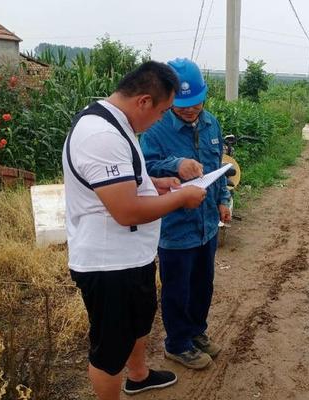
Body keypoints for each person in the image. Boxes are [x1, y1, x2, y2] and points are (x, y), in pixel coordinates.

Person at [62, 61, 207, 400]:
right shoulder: (100, 135)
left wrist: (151, 183)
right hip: (108, 264)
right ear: (144, 101)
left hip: (132, 258)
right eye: (162, 111)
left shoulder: (117, 123)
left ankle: (139, 376)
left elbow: (119, 184)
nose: (160, 120)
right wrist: (181, 197)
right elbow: (126, 209)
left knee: (139, 323)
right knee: (110, 350)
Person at [140, 58, 231, 370]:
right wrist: (175, 164)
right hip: (176, 225)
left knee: (203, 284)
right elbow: (144, 169)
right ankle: (177, 343)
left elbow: (218, 167)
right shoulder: (155, 128)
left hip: (206, 223)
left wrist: (223, 199)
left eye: (196, 103)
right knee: (177, 288)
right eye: (183, 105)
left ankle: (196, 332)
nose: (191, 110)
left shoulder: (211, 124)